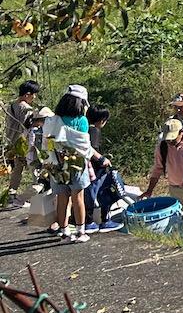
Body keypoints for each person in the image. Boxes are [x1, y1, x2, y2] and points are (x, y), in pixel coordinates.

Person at [43, 86, 94, 242]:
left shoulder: (52, 120)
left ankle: (64, 232)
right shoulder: (82, 121)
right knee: (78, 198)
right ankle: (80, 232)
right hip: (76, 165)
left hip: (56, 165)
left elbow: (47, 142)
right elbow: (84, 147)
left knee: (62, 197)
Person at [141, 118, 183, 211]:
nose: (170, 142)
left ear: (181, 132)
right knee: (181, 219)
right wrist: (149, 190)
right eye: (168, 139)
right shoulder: (163, 147)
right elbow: (158, 169)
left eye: (173, 138)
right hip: (176, 190)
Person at [81, 107, 122, 233]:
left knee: (89, 194)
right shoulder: (94, 131)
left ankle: (89, 222)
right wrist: (102, 159)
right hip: (96, 169)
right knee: (105, 192)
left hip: (87, 169)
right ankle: (104, 221)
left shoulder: (85, 129)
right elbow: (91, 149)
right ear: (102, 120)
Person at [3, 80, 40, 201]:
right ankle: (37, 194)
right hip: (24, 144)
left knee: (17, 169)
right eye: (34, 94)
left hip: (13, 143)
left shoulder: (11, 106)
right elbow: (28, 128)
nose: (34, 97)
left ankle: (11, 194)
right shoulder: (27, 109)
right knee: (34, 167)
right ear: (27, 94)